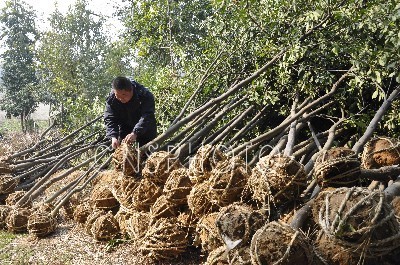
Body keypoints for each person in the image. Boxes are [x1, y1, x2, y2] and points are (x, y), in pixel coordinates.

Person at [104, 76, 157, 149]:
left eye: (123, 95)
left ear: (131, 90)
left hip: (146, 129)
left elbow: (147, 116)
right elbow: (110, 118)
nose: (120, 99)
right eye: (117, 96)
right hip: (125, 128)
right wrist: (113, 136)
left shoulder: (145, 95)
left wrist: (135, 133)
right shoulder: (111, 99)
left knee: (148, 154)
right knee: (122, 153)